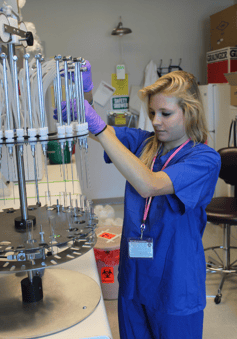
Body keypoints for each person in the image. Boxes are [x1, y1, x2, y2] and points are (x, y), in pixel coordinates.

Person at [54, 68, 221, 339]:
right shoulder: (145, 143)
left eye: (166, 114)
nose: (156, 121)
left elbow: (149, 184)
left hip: (175, 285)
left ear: (189, 112)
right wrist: (82, 94)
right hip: (134, 278)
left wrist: (96, 124)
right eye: (152, 112)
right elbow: (99, 132)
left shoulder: (204, 160)